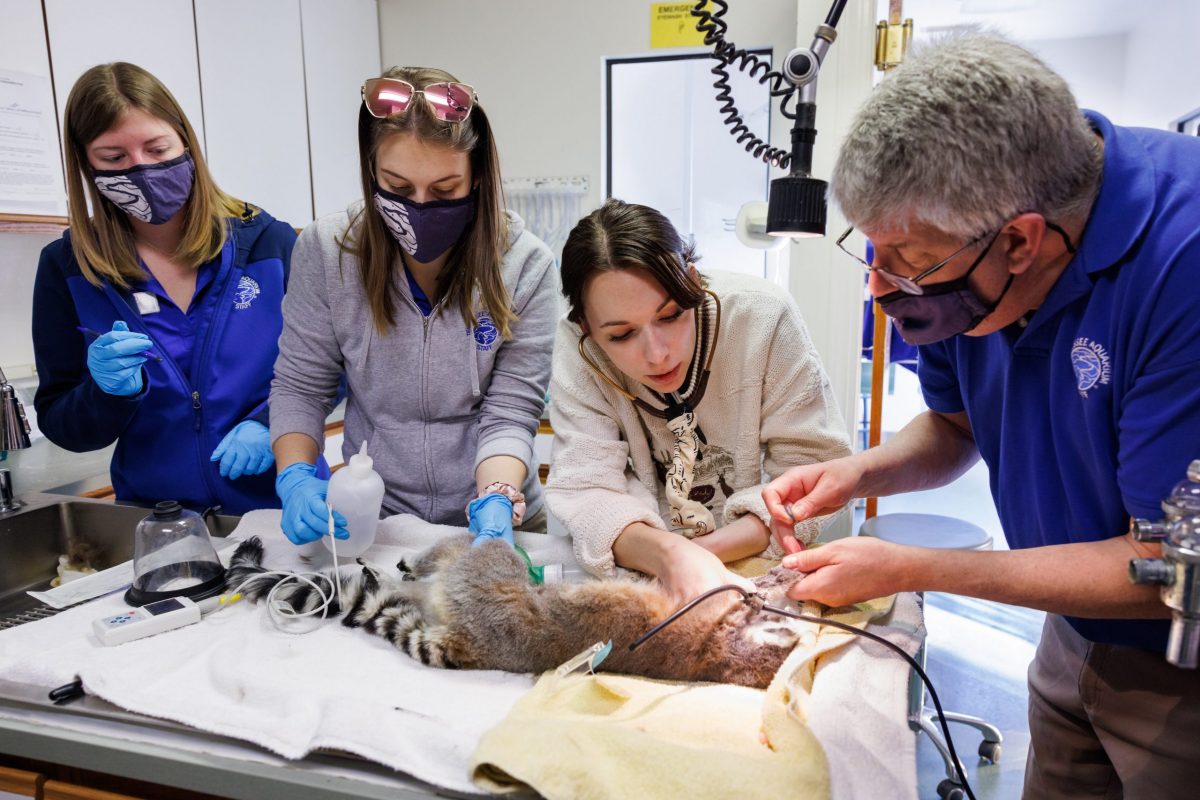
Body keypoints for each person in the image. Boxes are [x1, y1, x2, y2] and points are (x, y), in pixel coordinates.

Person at [763, 34, 1200, 796]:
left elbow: (1164, 569)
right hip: (1072, 630)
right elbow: (956, 425)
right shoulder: (972, 269)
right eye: (870, 251)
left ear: (1021, 242)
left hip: (1183, 661)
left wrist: (912, 567)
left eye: (906, 259)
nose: (881, 288)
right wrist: (855, 474)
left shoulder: (1180, 265)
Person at [269, 67, 558, 547]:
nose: (421, 206)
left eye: (445, 191)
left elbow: (510, 411)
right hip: (382, 521)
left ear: (478, 178)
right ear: (371, 172)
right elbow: (301, 385)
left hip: (496, 509)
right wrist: (295, 476)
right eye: (399, 189)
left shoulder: (525, 266)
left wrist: (497, 500)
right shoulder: (326, 252)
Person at [546, 199, 851, 606]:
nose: (658, 355)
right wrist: (669, 555)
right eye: (621, 335)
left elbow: (812, 469)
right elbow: (587, 490)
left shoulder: (763, 318)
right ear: (586, 328)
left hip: (757, 553)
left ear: (691, 282)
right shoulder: (574, 349)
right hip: (648, 560)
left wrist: (697, 555)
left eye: (671, 315)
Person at [33, 62, 298, 515]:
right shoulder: (68, 268)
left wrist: (270, 424)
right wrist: (106, 393)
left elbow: (330, 368)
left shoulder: (269, 244)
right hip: (162, 525)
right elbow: (64, 425)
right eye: (114, 158)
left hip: (284, 510)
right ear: (86, 163)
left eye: (157, 148)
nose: (142, 170)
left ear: (186, 141)